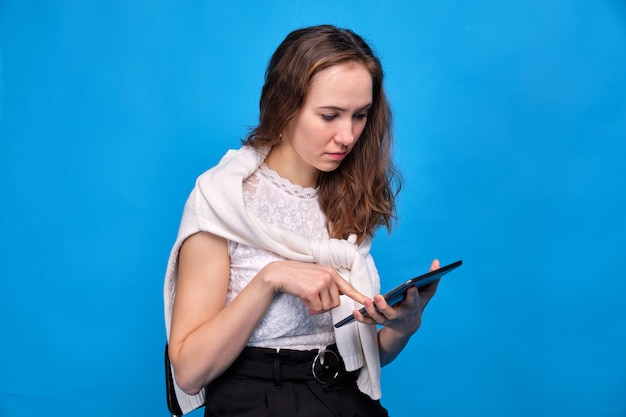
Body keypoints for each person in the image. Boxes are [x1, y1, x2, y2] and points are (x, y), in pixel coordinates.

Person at [163, 24, 440, 417]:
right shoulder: (222, 201)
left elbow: (362, 359)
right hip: (256, 405)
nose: (347, 136)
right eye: (329, 115)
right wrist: (271, 278)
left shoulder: (347, 198)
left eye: (360, 115)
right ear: (284, 105)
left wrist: (404, 324)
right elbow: (189, 373)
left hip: (347, 402)